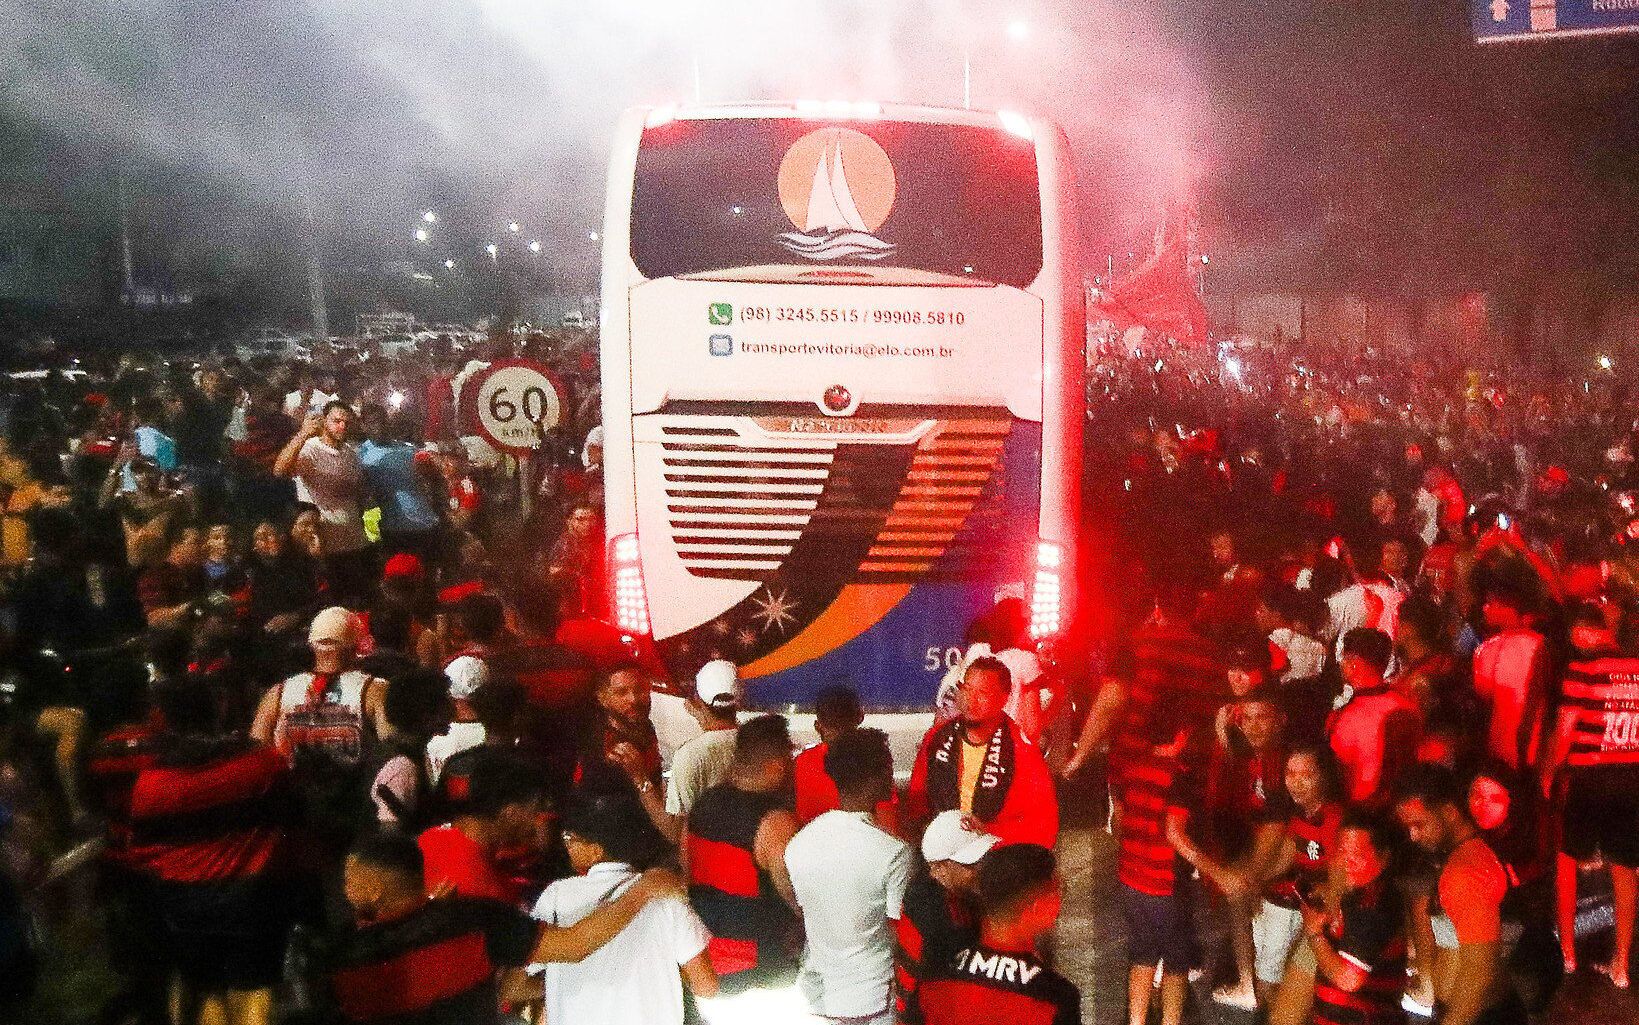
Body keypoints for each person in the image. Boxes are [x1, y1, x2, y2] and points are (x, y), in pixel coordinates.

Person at [312, 831, 688, 1025]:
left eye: (349, 881)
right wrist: (642, 891)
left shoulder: (338, 957)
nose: (344, 890)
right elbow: (575, 944)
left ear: (374, 889)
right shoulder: (475, 920)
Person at [126, 676, 297, 1025]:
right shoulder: (259, 764)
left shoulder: (152, 784)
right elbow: (291, 818)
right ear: (217, 709)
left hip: (184, 904)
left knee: (208, 991)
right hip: (251, 897)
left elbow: (144, 850)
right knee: (254, 988)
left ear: (164, 720)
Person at [529, 793, 717, 1025]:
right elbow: (706, 986)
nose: (565, 843)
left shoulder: (555, 897)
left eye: (570, 837)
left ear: (596, 850)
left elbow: (516, 984)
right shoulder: (664, 893)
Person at [1540, 602, 1639, 986]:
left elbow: (1564, 732)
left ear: (1584, 629)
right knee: (1625, 868)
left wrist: (1547, 773)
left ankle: (1567, 954)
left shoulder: (1582, 670)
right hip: (1631, 779)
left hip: (1588, 780)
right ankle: (1621, 964)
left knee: (1567, 861)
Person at [785, 727, 913, 1025]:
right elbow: (898, 935)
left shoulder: (799, 844)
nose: (891, 778)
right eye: (889, 768)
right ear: (877, 776)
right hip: (874, 998)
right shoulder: (893, 853)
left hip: (818, 995)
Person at [1394, 765, 1525, 1025]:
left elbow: (1479, 972)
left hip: (1477, 1015)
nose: (1413, 835)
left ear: (1450, 812)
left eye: (1419, 824)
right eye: (1408, 827)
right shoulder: (1462, 856)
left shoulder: (1465, 872)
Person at [684, 713, 803, 995]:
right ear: (776, 767)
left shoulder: (702, 804)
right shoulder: (777, 823)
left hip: (707, 959)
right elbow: (796, 898)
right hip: (761, 970)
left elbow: (686, 872)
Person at [916, 844, 1081, 1025]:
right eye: (1058, 890)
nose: (1060, 898)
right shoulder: (1055, 997)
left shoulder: (935, 976)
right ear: (1037, 907)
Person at [904, 657, 1058, 849]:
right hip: (941, 849)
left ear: (1004, 698)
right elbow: (916, 801)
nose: (971, 700)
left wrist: (989, 832)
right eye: (966, 689)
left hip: (995, 855)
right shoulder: (938, 737)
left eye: (982, 693)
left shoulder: (1021, 750)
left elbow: (1042, 824)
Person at [1114, 705, 1195, 1025]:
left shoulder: (1131, 769)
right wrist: (1220, 873)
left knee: (1142, 956)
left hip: (1131, 878)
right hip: (1165, 884)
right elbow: (1175, 835)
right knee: (1176, 963)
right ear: (1182, 734)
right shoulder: (1178, 775)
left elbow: (1119, 819)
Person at [1302, 813, 1409, 1025]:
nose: (1347, 862)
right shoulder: (1354, 892)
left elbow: (1348, 978)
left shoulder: (1373, 906)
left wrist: (1314, 935)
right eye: (1342, 851)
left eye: (1358, 854)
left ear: (1384, 858)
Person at [251, 607, 391, 766]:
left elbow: (255, 757)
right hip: (353, 787)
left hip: (292, 788)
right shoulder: (375, 690)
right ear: (356, 645)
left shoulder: (278, 693)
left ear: (311, 645)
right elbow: (394, 753)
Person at [895, 812, 994, 1024]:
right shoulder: (933, 914)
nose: (980, 868)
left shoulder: (936, 890)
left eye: (983, 857)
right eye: (970, 863)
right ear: (939, 867)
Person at [417, 750, 550, 904]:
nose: (540, 820)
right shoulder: (492, 895)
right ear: (511, 814)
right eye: (537, 809)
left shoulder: (428, 839)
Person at [274, 400, 371, 601]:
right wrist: (303, 433)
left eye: (346, 422)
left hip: (354, 540)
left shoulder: (351, 454)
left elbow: (358, 491)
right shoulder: (311, 448)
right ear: (324, 421)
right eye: (336, 421)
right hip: (326, 544)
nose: (342, 426)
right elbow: (279, 471)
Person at [1327, 627, 1420, 807]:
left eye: (1344, 658)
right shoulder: (1407, 703)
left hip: (1364, 810)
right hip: (1406, 805)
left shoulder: (1346, 718)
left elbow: (1338, 772)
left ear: (1353, 663)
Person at [793, 685, 898, 830]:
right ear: (860, 717)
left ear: (817, 726)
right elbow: (887, 821)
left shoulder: (802, 761)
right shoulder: (872, 760)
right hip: (863, 844)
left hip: (811, 845)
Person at [1470, 583, 1549, 772]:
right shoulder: (1541, 644)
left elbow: (1483, 694)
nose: (1485, 608)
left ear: (1508, 609)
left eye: (1491, 604)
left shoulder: (1489, 650)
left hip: (1515, 748)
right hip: (1525, 748)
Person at [663, 659, 742, 840]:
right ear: (740, 698)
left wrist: (642, 781)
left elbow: (675, 832)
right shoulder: (755, 742)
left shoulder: (689, 754)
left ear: (697, 699)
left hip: (707, 853)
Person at [356, 403, 444, 564]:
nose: (379, 426)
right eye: (373, 422)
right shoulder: (360, 455)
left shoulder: (408, 449)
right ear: (363, 426)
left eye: (382, 421)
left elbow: (435, 474)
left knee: (430, 579)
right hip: (394, 528)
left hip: (426, 523)